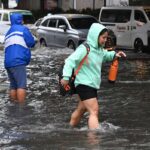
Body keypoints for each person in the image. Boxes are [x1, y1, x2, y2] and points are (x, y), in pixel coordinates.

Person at [61, 23, 126, 130]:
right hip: (84, 84)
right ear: (95, 36)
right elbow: (70, 61)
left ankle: (69, 128)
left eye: (106, 37)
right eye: (103, 37)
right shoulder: (85, 48)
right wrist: (66, 77)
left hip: (91, 84)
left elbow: (104, 56)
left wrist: (115, 55)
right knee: (94, 111)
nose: (105, 40)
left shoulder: (99, 49)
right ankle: (94, 139)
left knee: (81, 109)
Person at [4, 13, 35, 103]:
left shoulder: (8, 32)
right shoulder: (23, 29)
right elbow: (31, 43)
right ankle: (21, 108)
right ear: (20, 20)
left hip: (8, 63)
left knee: (13, 85)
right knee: (21, 85)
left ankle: (13, 104)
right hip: (18, 61)